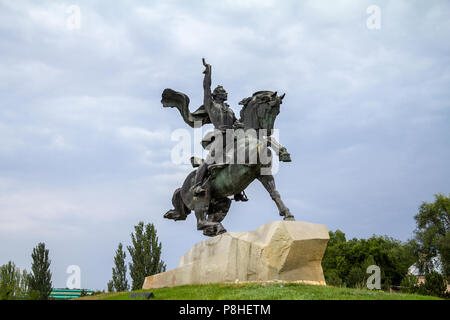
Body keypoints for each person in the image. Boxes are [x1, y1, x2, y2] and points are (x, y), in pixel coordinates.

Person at [192, 59, 247, 202]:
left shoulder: (229, 109)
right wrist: (208, 72)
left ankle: (238, 190)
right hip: (220, 135)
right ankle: (197, 185)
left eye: (225, 91)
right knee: (210, 160)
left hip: (232, 136)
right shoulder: (211, 105)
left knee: (243, 158)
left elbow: (237, 122)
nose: (226, 93)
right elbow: (206, 88)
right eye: (222, 91)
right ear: (216, 95)